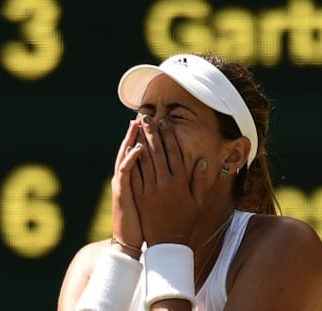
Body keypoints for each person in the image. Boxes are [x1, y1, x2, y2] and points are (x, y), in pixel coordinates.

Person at [57, 53, 322, 311]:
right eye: (146, 114)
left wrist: (168, 244)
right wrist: (123, 252)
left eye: (177, 116)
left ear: (233, 155)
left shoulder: (286, 247)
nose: (152, 128)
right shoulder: (90, 265)